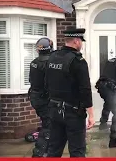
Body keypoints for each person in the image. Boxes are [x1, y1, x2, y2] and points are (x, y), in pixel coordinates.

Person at [45, 28, 95, 157]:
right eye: (81, 42)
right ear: (77, 41)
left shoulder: (52, 58)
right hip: (73, 113)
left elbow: (46, 83)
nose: (81, 44)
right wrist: (91, 115)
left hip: (54, 111)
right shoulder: (78, 62)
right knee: (77, 151)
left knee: (53, 150)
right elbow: (85, 90)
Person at [29, 37, 54, 157]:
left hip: (35, 96)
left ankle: (47, 151)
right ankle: (39, 153)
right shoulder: (49, 63)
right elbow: (50, 84)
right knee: (48, 127)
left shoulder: (34, 62)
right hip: (44, 99)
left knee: (48, 123)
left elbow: (31, 80)